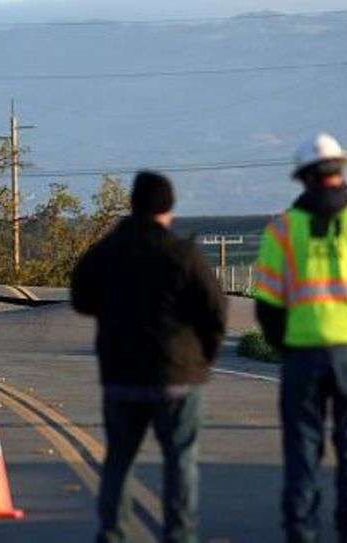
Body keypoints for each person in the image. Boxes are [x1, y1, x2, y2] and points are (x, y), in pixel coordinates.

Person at [252, 134, 347, 543]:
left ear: (303, 177)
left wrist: (286, 347)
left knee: (302, 455)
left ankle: (301, 533)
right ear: (342, 169)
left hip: (301, 356)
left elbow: (268, 307)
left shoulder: (282, 230)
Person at [71, 171, 227, 543]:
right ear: (169, 208)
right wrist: (203, 358)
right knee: (181, 462)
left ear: (132, 204)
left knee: (119, 461)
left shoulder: (108, 251)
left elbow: (80, 296)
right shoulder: (183, 254)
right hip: (177, 376)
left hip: (122, 374)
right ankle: (180, 535)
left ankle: (113, 533)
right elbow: (215, 311)